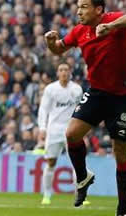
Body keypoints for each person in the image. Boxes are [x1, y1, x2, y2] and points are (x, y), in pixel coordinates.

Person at [44, 0, 126, 216]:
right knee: (71, 134)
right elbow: (59, 49)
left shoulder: (111, 21)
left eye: (84, 7)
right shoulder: (79, 32)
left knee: (121, 153)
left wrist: (111, 27)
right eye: (78, 7)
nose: (79, 11)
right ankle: (82, 177)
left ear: (98, 10)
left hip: (123, 97)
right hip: (98, 93)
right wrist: (50, 42)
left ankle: (122, 210)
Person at [37, 63, 83, 205]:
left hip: (71, 130)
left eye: (66, 70)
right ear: (58, 73)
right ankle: (47, 194)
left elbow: (81, 110)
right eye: (61, 70)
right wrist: (42, 128)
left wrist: (82, 128)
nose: (64, 72)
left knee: (77, 163)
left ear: (70, 72)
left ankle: (79, 195)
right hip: (54, 130)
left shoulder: (76, 89)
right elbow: (44, 109)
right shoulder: (51, 89)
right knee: (51, 162)